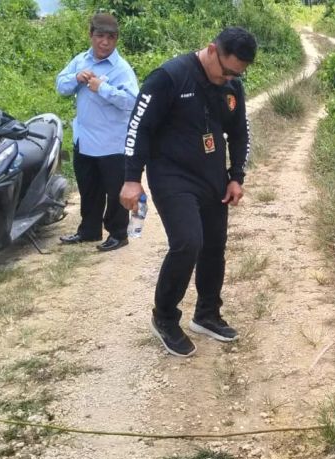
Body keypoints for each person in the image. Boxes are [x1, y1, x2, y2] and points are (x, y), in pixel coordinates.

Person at [119, 27, 256, 357]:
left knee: (213, 247)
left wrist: (236, 176)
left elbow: (239, 134)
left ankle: (207, 314)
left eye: (237, 74)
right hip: (172, 176)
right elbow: (139, 128)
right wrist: (131, 178)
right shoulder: (169, 78)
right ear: (211, 50)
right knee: (187, 242)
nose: (229, 79)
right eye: (226, 71)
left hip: (213, 178)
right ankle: (164, 317)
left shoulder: (231, 86)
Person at [56, 12, 138, 252]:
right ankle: (89, 230)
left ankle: (118, 234)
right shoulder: (80, 61)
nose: (105, 42)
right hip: (84, 139)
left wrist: (103, 88)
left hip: (112, 142)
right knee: (89, 188)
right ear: (91, 35)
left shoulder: (121, 69)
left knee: (115, 192)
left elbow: (132, 102)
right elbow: (61, 86)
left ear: (116, 40)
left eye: (111, 38)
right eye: (100, 36)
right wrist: (75, 77)